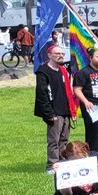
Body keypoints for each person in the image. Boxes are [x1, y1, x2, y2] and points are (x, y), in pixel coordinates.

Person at [35, 41, 78, 171]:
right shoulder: (43, 71)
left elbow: (68, 92)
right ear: (49, 55)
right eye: (57, 53)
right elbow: (42, 94)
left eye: (62, 53)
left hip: (65, 110)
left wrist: (72, 111)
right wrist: (49, 114)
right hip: (54, 112)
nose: (60, 55)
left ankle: (62, 162)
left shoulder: (63, 70)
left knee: (64, 139)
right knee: (54, 140)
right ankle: (52, 165)